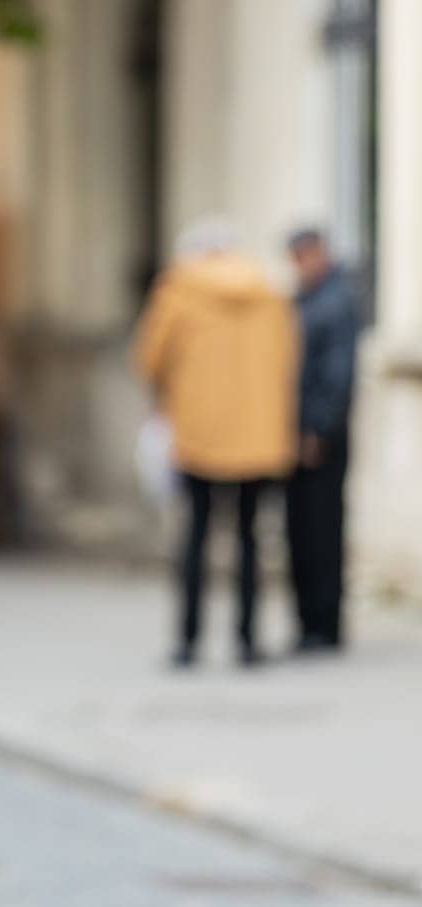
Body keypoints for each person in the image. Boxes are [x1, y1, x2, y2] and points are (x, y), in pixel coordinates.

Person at [134, 220, 298, 668]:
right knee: (249, 540)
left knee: (195, 539)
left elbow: (149, 358)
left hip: (198, 434)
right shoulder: (269, 294)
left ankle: (189, 642)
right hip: (258, 437)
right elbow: (288, 359)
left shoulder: (178, 290)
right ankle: (247, 642)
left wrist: (170, 396)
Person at [285, 227, 360, 654]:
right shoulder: (303, 298)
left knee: (322, 529)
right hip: (297, 430)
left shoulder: (336, 301)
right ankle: (308, 623)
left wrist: (319, 428)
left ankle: (325, 626)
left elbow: (337, 374)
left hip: (321, 435)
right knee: (300, 530)